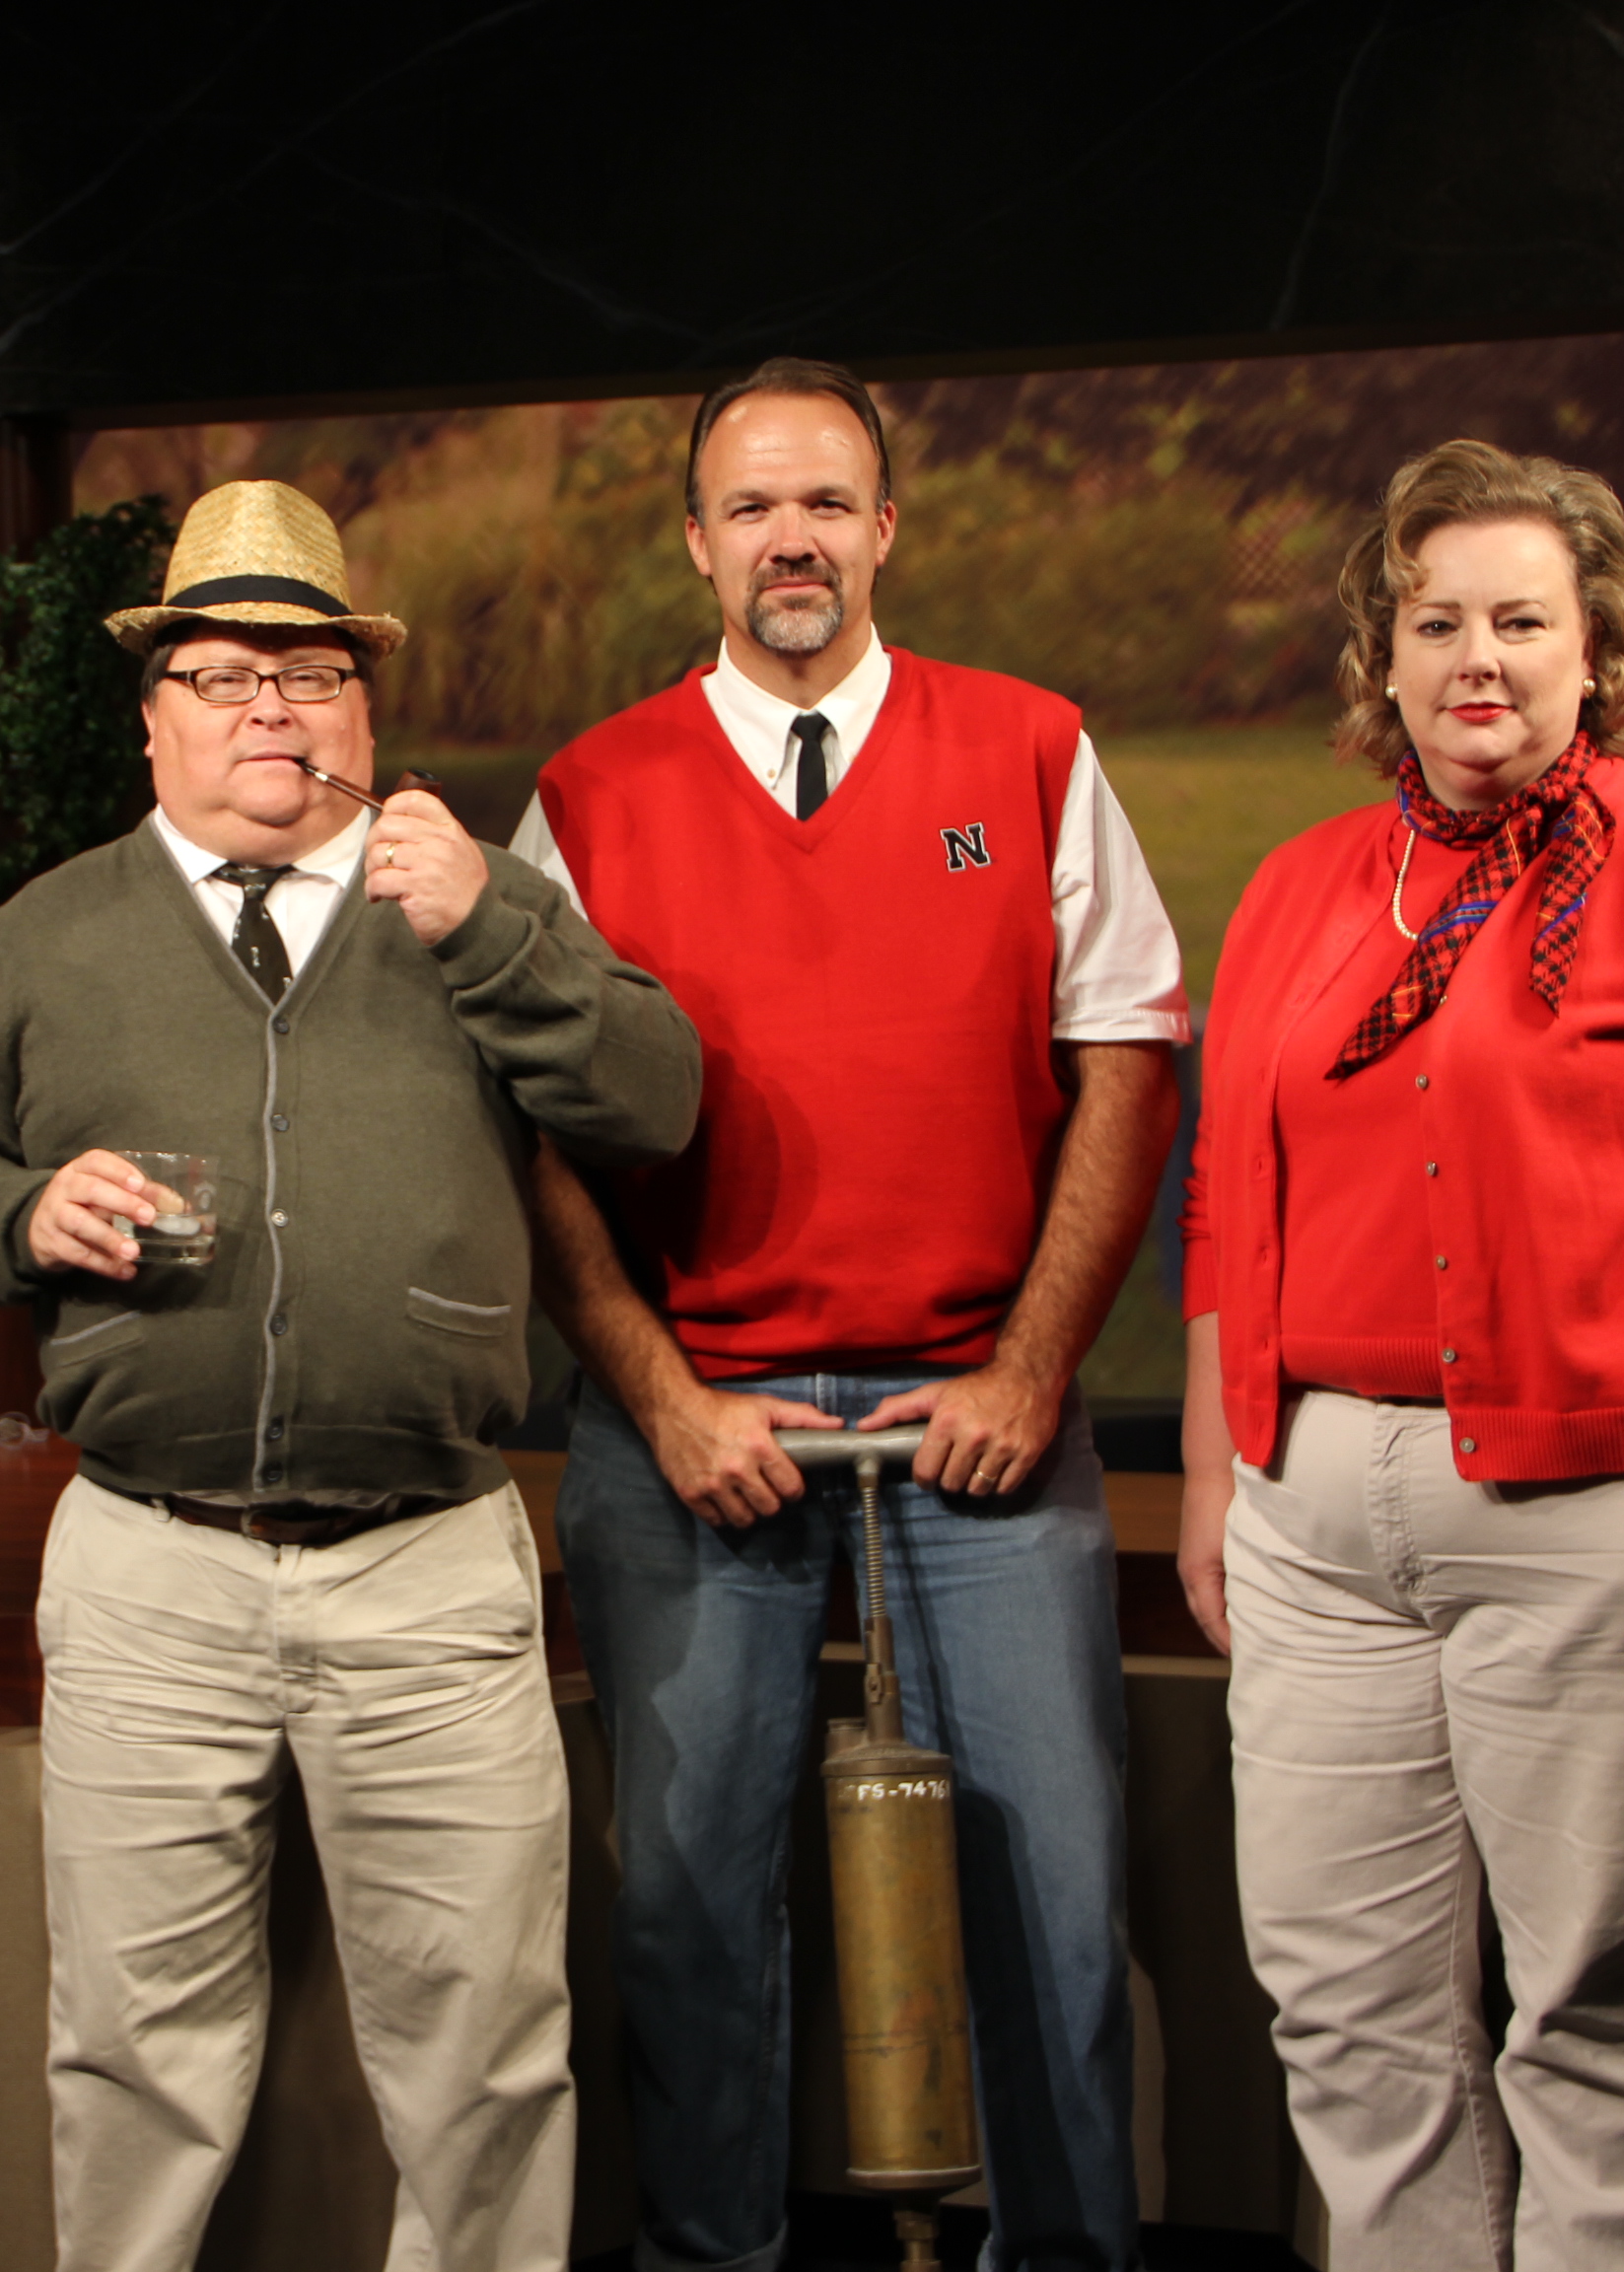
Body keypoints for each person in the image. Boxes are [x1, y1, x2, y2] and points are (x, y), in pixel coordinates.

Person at [0, 478, 703, 2272]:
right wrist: (27, 1213)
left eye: (311, 671)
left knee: (486, 2060)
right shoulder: (54, 931)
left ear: (364, 710)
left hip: (428, 1565)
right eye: (223, 670)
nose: (270, 706)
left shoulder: (470, 906)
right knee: (130, 2057)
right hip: (149, 1569)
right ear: (156, 713)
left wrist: (488, 924)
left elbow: (656, 1096)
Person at [1174, 440, 1624, 2271]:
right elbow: (1224, 1210)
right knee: (1349, 2025)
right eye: (1438, 621)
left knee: (1602, 2026)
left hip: (1606, 1519)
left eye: (1523, 618)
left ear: (1600, 653)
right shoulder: (1296, 887)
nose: (1477, 658)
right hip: (1316, 1533)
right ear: (1385, 652)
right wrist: (1219, 1480)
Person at [510, 357, 1185, 2272]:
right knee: (689, 1921)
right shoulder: (592, 790)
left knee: (1054, 1909)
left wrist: (1035, 1366)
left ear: (886, 529)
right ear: (697, 540)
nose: (789, 537)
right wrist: (655, 1399)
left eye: (826, 503)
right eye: (751, 505)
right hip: (702, 1431)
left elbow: (1126, 1048)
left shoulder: (1028, 748)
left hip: (977, 1422)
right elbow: (540, 1140)